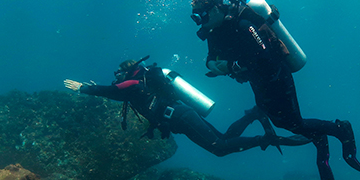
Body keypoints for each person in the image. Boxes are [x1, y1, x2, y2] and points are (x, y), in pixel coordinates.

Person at [191, 0, 360, 180]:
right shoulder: (216, 29)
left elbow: (264, 55)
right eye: (197, 18)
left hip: (276, 77)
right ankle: (320, 138)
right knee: (282, 122)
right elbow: (211, 57)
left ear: (213, 10)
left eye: (201, 16)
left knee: (293, 122)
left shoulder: (243, 23)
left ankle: (340, 129)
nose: (200, 22)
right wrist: (215, 65)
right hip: (259, 81)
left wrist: (233, 66)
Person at [64, 57, 310, 158]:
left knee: (219, 149)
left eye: (118, 72)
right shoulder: (142, 84)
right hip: (181, 115)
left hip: (181, 116)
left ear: (127, 71)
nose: (116, 76)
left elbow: (110, 91)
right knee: (224, 139)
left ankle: (266, 138)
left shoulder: (132, 83)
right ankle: (254, 115)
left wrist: (84, 88)